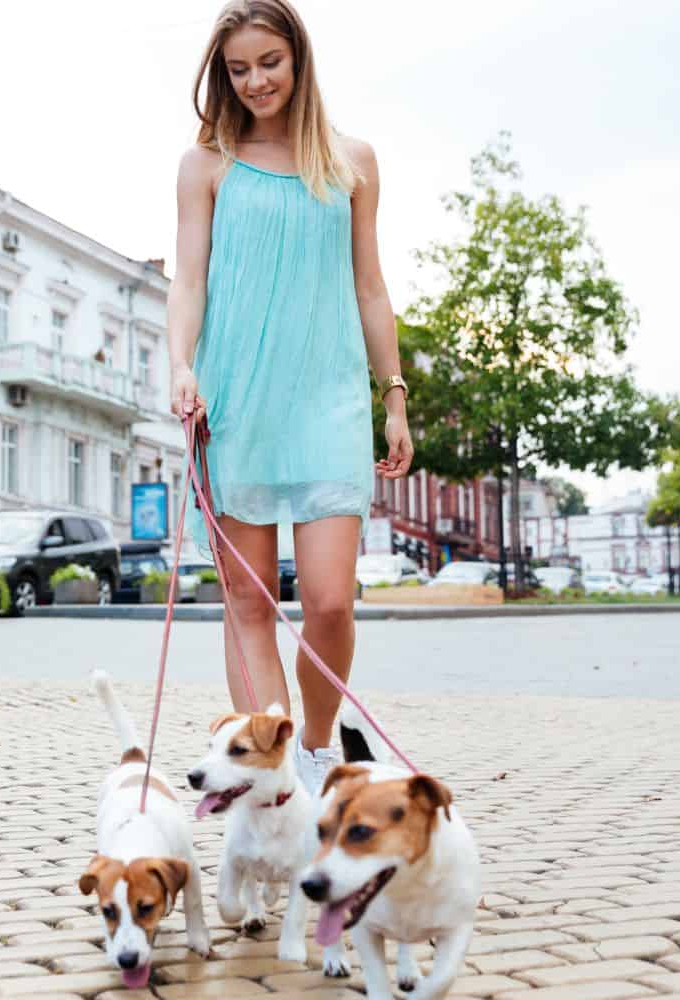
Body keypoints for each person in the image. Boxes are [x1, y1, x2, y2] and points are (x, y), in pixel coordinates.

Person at [167, 0, 412, 794]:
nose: (255, 81)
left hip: (328, 399)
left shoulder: (352, 161)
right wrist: (180, 365)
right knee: (248, 595)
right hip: (237, 400)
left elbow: (369, 287)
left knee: (332, 604)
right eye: (238, 69)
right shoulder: (206, 164)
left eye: (268, 62)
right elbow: (191, 281)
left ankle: (313, 745)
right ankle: (270, 786)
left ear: (298, 59)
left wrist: (394, 394)